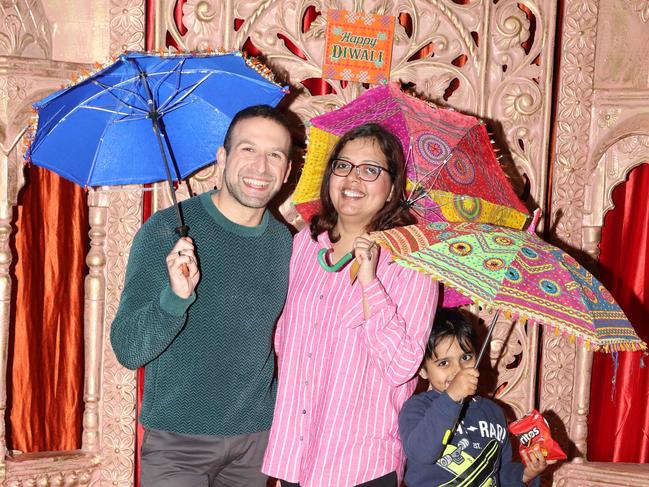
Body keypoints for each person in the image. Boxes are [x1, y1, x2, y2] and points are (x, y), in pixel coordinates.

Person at [110, 104, 293, 487]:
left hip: (255, 442)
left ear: (287, 171)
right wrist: (175, 297)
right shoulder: (166, 233)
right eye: (248, 150)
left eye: (274, 155)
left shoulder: (285, 244)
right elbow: (128, 348)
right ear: (222, 157)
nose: (261, 167)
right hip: (178, 444)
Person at [262, 123, 439, 486]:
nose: (352, 178)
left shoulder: (413, 263)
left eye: (371, 170)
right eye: (342, 166)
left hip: (361, 465)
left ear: (392, 190)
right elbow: (282, 343)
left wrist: (371, 282)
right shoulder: (303, 247)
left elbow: (402, 367)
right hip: (296, 455)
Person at [398, 308, 551, 487]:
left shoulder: (494, 413)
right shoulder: (417, 408)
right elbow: (423, 453)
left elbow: (499, 473)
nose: (458, 370)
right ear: (422, 369)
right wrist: (451, 398)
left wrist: (525, 474)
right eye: (444, 363)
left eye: (466, 357)